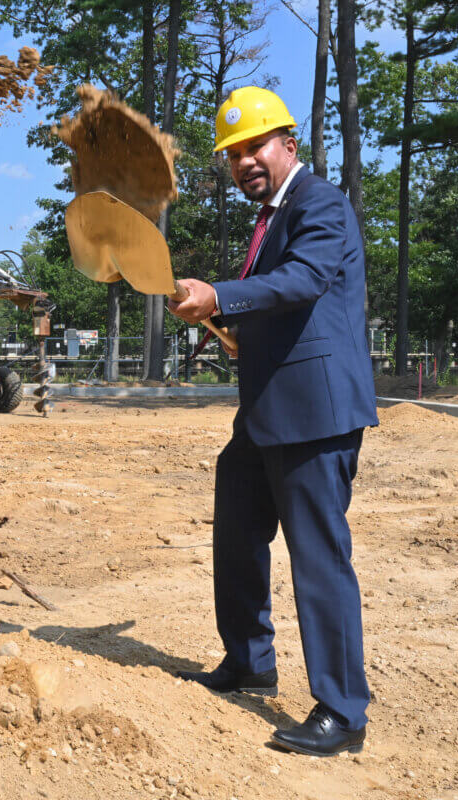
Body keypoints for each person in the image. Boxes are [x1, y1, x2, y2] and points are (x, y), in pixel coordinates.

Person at [166, 86, 378, 757]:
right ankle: (251, 661)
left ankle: (343, 712)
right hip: (265, 413)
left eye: (255, 146)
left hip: (314, 415)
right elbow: (275, 302)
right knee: (235, 531)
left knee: (318, 559)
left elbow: (303, 281)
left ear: (289, 141)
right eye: (234, 156)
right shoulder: (270, 217)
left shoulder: (320, 206)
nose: (245, 163)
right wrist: (219, 315)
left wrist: (221, 293)